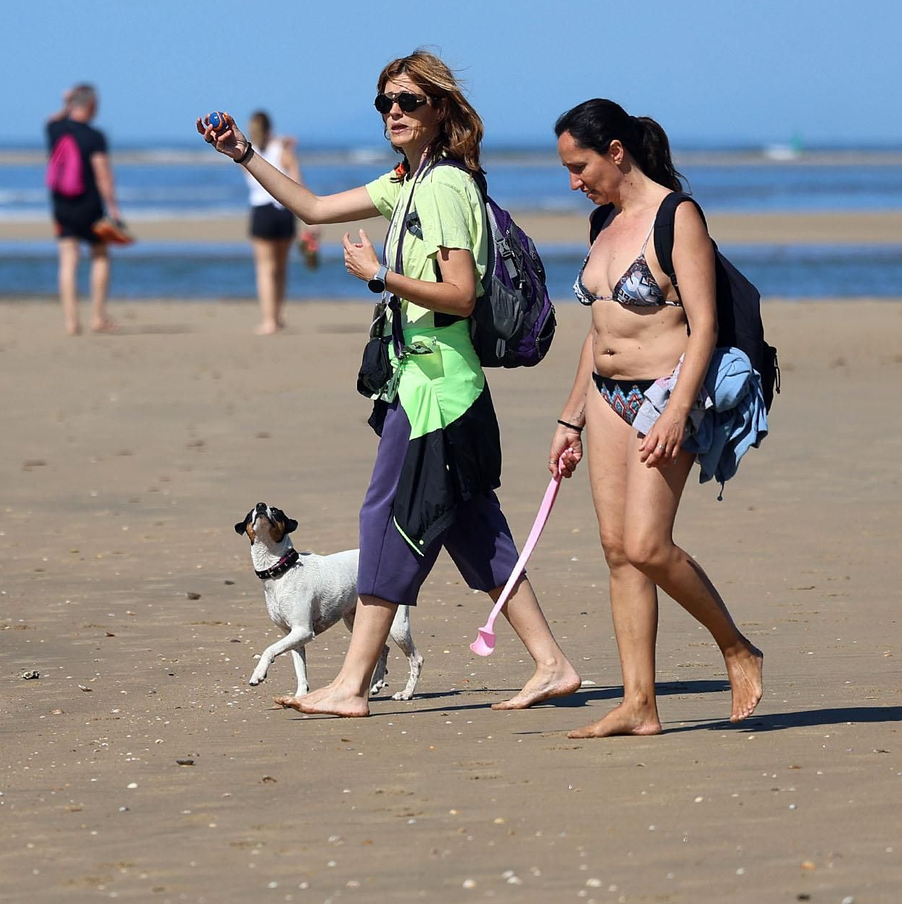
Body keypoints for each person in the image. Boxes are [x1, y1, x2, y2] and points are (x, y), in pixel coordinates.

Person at [198, 50, 579, 716]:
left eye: (407, 101)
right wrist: (244, 153)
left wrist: (381, 276)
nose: (394, 113)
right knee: (472, 529)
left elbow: (460, 294)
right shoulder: (408, 183)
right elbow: (314, 208)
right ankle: (552, 663)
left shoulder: (445, 189)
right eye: (385, 104)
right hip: (421, 387)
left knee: (387, 520)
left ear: (439, 109)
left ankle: (351, 684)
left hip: (442, 391)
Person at [548, 99, 764, 737]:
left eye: (579, 165)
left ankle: (735, 646)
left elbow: (705, 326)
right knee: (618, 552)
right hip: (606, 396)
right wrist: (571, 419)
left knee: (647, 544)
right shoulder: (602, 224)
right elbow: (600, 328)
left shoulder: (678, 217)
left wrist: (676, 410)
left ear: (616, 151)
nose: (573, 181)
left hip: (665, 394)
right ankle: (639, 704)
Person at [45, 84, 123, 335]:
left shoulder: (55, 129)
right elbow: (103, 175)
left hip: (61, 205)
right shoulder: (94, 136)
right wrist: (113, 207)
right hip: (89, 205)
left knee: (68, 260)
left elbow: (52, 118)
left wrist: (66, 101)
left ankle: (71, 322)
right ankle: (98, 317)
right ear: (91, 106)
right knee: (99, 255)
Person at [243, 111, 319, 335]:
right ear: (270, 128)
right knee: (280, 268)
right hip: (285, 212)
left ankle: (269, 320)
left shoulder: (247, 153)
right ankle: (276, 315)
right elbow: (298, 183)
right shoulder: (283, 151)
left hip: (262, 212)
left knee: (265, 269)